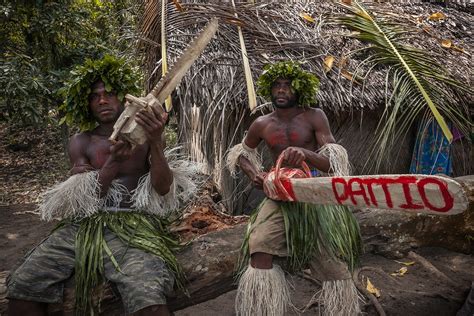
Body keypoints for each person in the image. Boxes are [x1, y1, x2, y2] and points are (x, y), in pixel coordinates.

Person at [6, 55, 200, 316]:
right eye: (94, 96)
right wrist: (112, 163)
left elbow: (163, 188)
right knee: (22, 285)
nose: (102, 100)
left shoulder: (146, 137)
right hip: (85, 226)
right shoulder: (81, 142)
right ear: (87, 105)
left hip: (134, 225)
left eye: (109, 94)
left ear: (124, 99)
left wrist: (155, 142)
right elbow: (86, 200)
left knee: (150, 299)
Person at [226, 61, 362, 316]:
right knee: (259, 246)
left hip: (314, 195)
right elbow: (240, 153)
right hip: (278, 195)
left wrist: (305, 153)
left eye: (287, 86)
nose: (281, 91)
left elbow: (332, 163)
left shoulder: (314, 116)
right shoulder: (262, 123)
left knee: (332, 261)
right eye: (276, 86)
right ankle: (265, 309)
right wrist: (255, 174)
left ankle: (341, 310)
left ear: (298, 89)